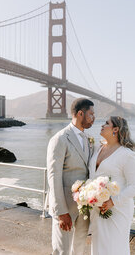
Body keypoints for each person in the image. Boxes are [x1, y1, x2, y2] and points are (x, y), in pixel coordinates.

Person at [46, 98, 95, 255]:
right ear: (81, 114)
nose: (94, 118)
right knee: (62, 251)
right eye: (91, 114)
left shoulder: (88, 140)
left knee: (79, 249)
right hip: (65, 208)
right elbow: (53, 177)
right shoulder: (60, 139)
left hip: (84, 208)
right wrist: (61, 211)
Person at [89, 116, 135, 255]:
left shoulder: (127, 155)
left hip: (117, 210)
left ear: (116, 129)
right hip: (97, 208)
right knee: (98, 248)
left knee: (115, 247)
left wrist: (112, 201)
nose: (102, 125)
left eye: (106, 123)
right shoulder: (96, 149)